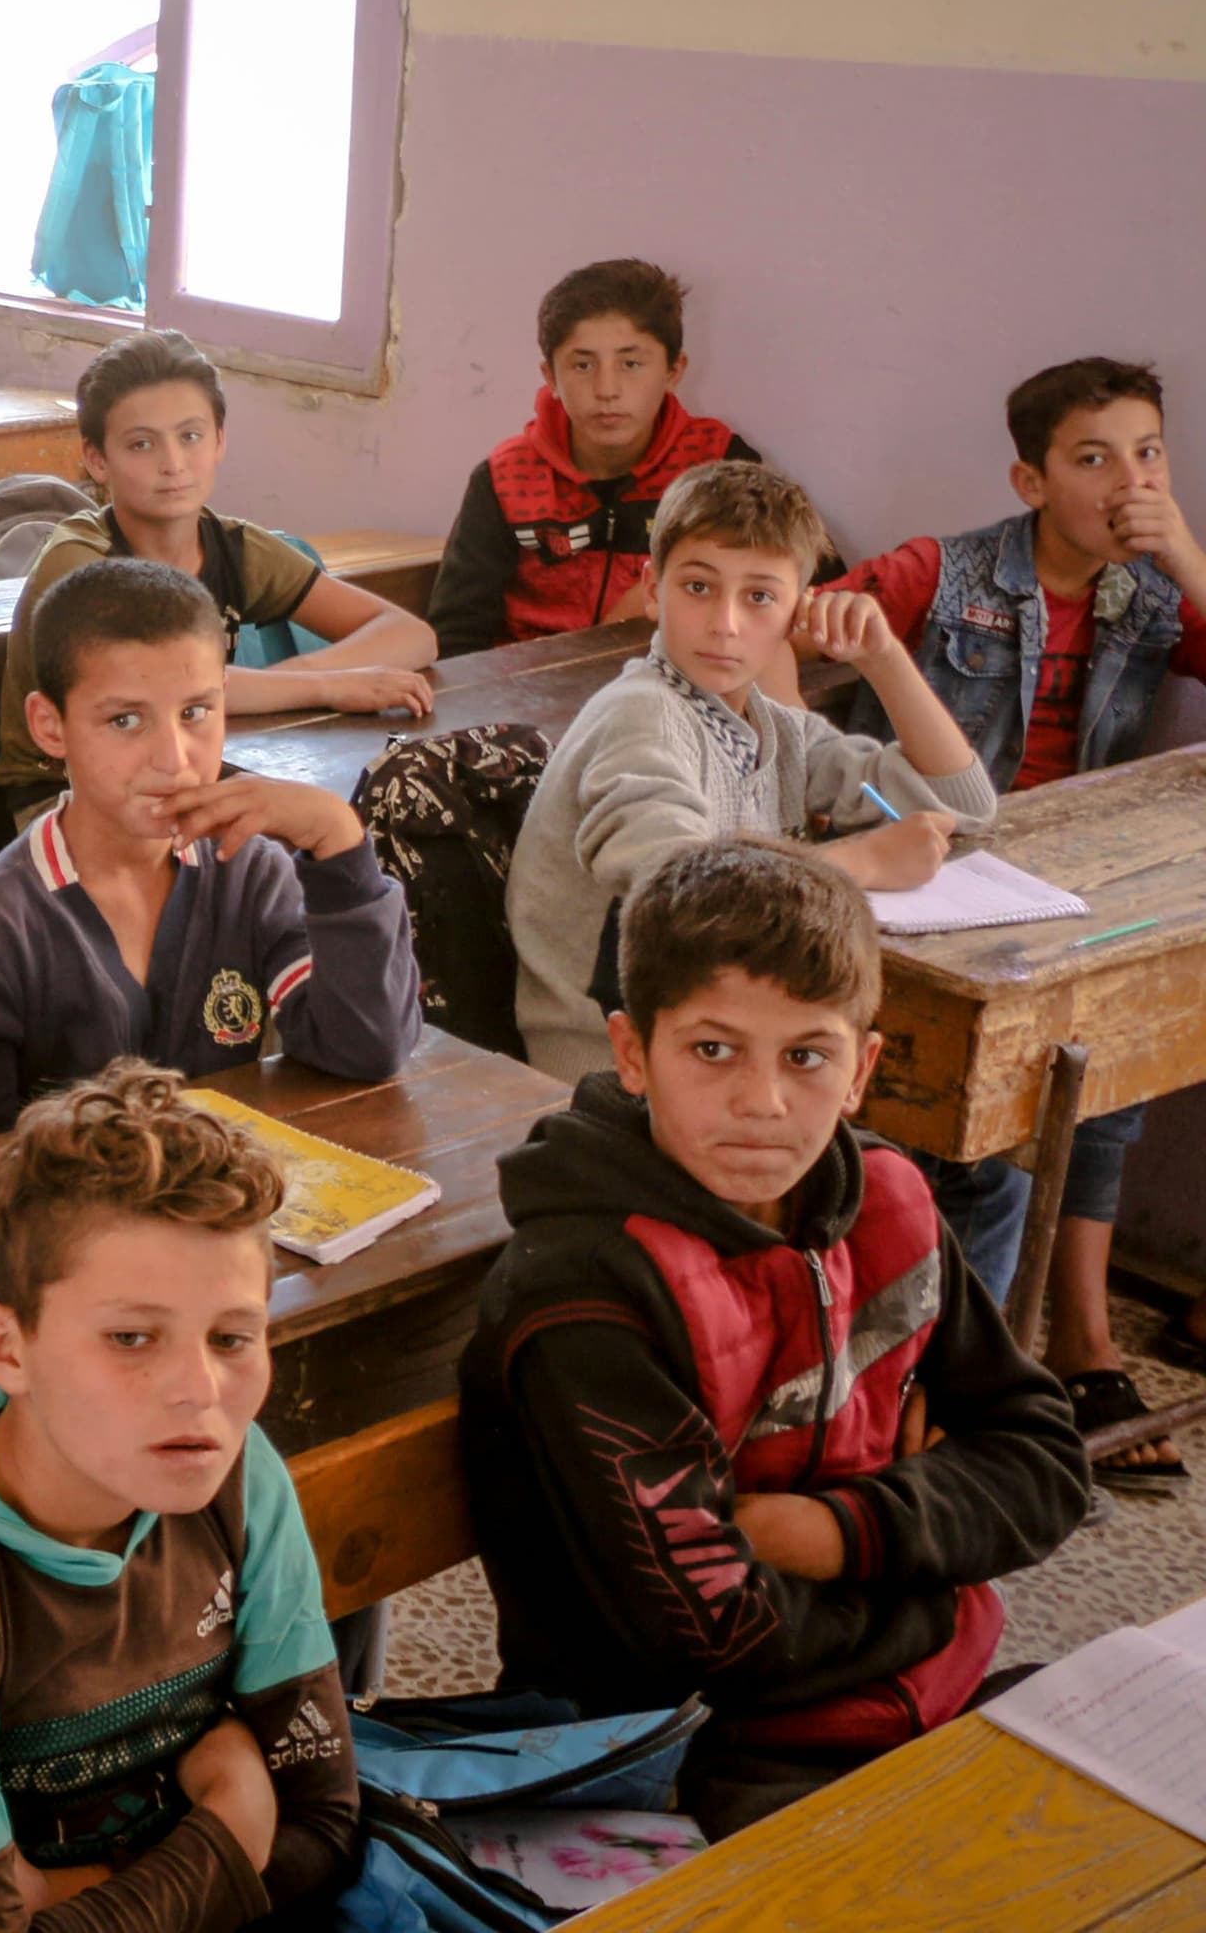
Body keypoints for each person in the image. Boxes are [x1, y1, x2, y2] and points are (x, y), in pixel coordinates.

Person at [459, 841, 1090, 1835]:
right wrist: (942, 1576)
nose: (762, 1102)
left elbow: (1049, 1464)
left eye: (806, 1056)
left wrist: (837, 1533)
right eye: (713, 1050)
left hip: (925, 1696)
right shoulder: (586, 1290)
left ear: (861, 1068)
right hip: (689, 1759)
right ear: (632, 1053)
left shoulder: (888, 1206)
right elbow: (715, 1636)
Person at [0, 1067, 363, 1933]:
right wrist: (233, 1823)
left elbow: (324, 1830)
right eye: (131, 1337)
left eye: (232, 1338)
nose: (200, 1390)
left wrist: (62, 1898)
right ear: (6, 1349)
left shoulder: (238, 1475)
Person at [823, 357, 1206, 1485]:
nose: (1128, 482)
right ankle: (974, 1364)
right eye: (1093, 458)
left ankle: (1080, 1342)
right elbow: (793, 630)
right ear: (1031, 481)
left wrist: (1185, 555)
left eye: (1148, 453)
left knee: (1112, 1060)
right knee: (1015, 1095)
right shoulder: (943, 573)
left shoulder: (1153, 591)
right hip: (934, 876)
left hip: (1069, 879)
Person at [506, 459, 995, 1080]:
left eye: (760, 597)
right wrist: (861, 863)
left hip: (721, 1038)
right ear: (653, 590)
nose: (725, 624)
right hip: (612, 1068)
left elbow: (963, 804)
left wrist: (883, 658)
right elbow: (680, 898)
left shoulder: (774, 729)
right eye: (698, 587)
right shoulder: (642, 716)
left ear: (798, 616)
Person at [0, 558, 421, 1145]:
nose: (174, 759)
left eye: (195, 713)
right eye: (125, 720)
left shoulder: (250, 873)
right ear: (50, 726)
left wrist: (339, 844)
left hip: (228, 1191)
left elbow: (367, 1049)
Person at [0, 330, 438, 812]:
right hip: (69, 797)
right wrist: (329, 686)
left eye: (190, 437)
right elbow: (160, 690)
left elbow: (412, 635)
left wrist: (303, 675)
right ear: (98, 459)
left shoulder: (233, 547)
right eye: (141, 444)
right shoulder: (81, 562)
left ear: (220, 441)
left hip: (180, 773)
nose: (173, 464)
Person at [434, 260, 776, 656]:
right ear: (551, 377)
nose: (607, 389)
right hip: (528, 684)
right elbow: (456, 638)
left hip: (667, 681)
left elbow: (797, 588)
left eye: (631, 364)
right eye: (583, 365)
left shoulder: (718, 468)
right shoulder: (506, 479)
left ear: (673, 371)